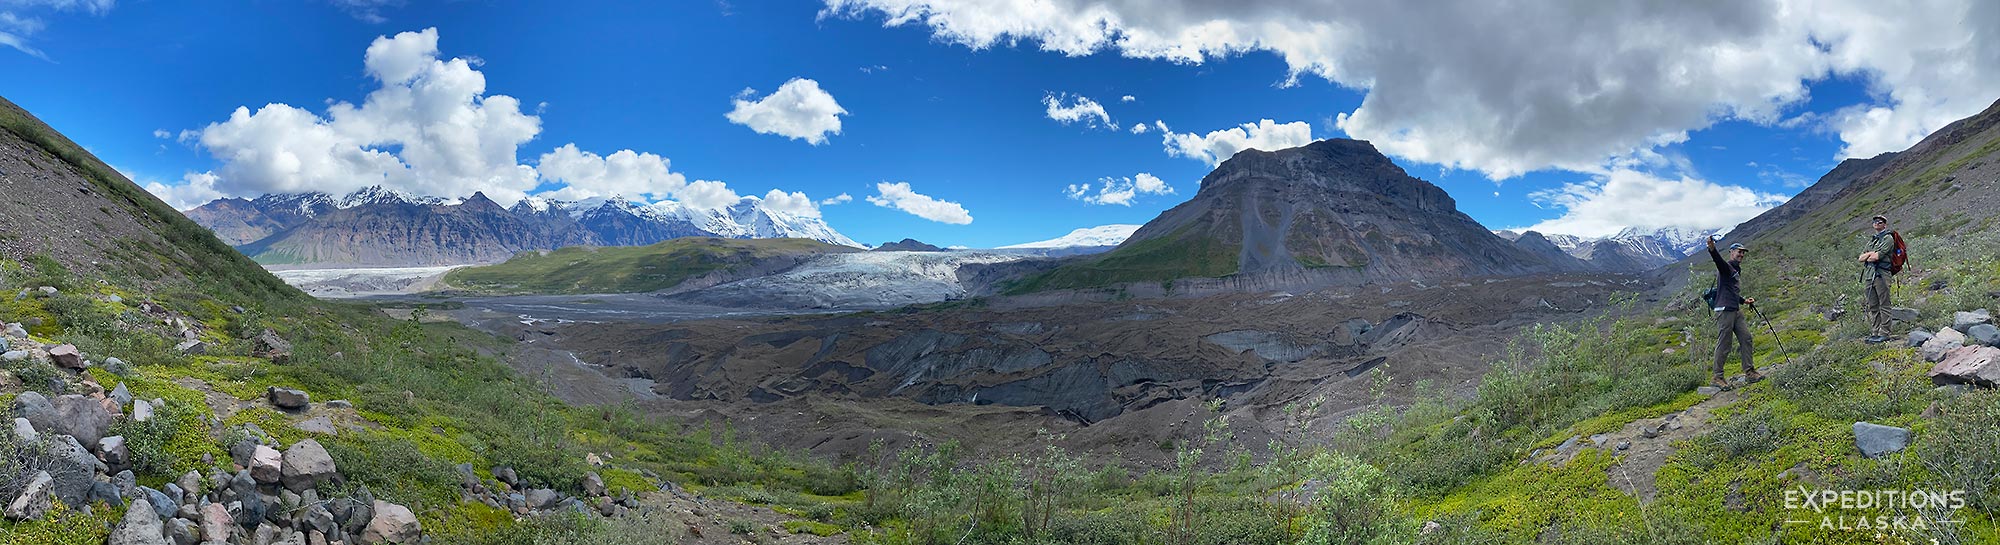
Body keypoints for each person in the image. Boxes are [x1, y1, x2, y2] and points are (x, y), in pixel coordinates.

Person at [1707, 237, 1764, 389]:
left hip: (1735, 309)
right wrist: (1712, 249)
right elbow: (1718, 260)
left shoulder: (1736, 269)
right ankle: (1717, 377)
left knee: (1746, 338)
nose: (1741, 255)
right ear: (1731, 252)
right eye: (1739, 252)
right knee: (1725, 343)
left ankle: (1750, 372)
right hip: (1724, 310)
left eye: (1743, 253)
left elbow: (1731, 290)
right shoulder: (1726, 267)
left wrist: (1744, 301)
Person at [1858, 215, 1895, 344]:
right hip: (1869, 275)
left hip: (1881, 275)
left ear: (1885, 224)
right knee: (1873, 305)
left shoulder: (1888, 238)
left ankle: (1885, 333)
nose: (1877, 223)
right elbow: (1861, 258)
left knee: (1884, 304)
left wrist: (1870, 255)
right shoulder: (1872, 240)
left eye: (1880, 222)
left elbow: (1876, 257)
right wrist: (1869, 254)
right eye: (1875, 221)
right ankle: (1875, 332)